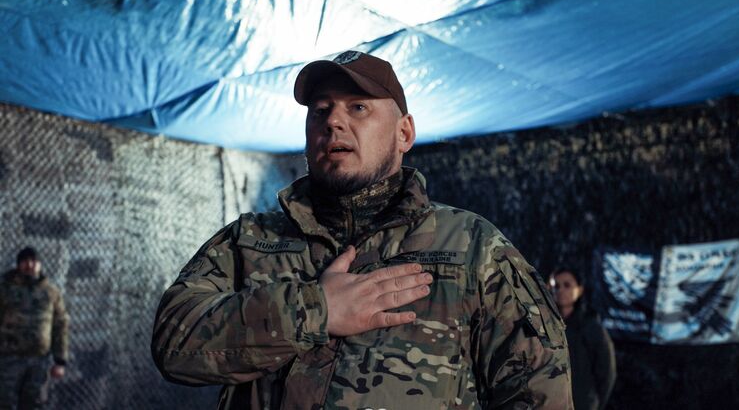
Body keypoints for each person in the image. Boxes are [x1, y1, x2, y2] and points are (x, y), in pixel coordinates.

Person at [152, 50, 573, 409]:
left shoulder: (473, 248)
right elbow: (173, 344)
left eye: (358, 107)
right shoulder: (250, 241)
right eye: (320, 110)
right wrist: (316, 309)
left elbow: (540, 393)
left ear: (404, 132)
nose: (333, 121)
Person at [0, 247, 69, 410]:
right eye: (24, 261)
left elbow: (60, 325)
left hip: (39, 360)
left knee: (34, 403)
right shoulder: (4, 289)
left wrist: (60, 361)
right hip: (8, 359)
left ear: (40, 264)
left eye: (34, 261)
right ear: (18, 264)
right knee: (4, 402)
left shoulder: (51, 292)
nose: (29, 265)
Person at [550, 268, 616, 410]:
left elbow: (606, 373)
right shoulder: (545, 326)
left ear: (579, 290)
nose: (560, 290)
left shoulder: (592, 328)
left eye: (567, 285)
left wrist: (594, 404)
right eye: (556, 286)